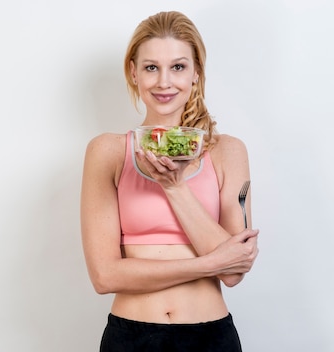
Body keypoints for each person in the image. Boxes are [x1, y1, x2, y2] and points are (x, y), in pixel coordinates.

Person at [80, 11, 259, 351]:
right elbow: (104, 277)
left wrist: (175, 187)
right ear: (133, 72)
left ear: (196, 74)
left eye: (178, 67)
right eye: (151, 67)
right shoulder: (108, 151)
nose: (164, 82)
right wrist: (209, 264)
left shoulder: (228, 152)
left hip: (211, 338)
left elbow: (233, 273)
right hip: (131, 337)